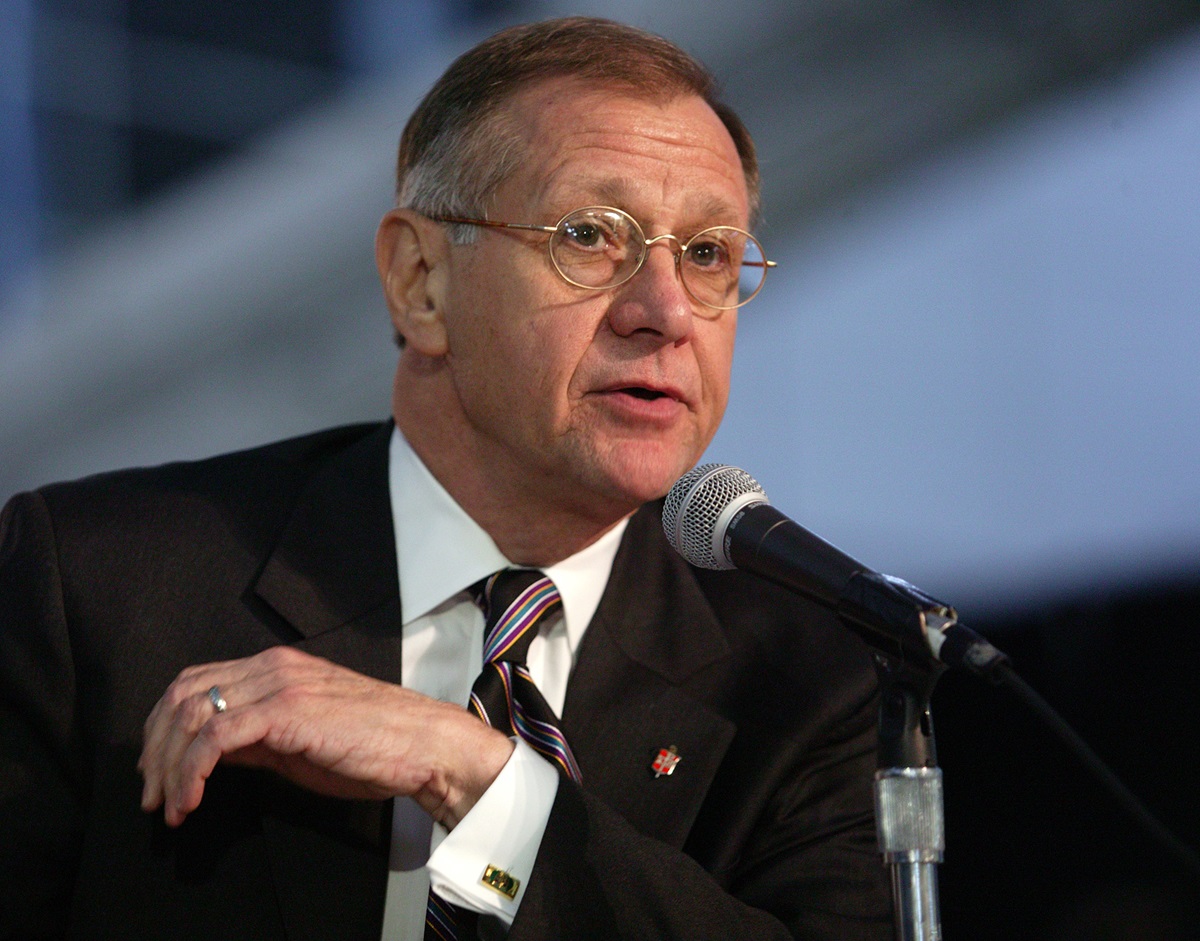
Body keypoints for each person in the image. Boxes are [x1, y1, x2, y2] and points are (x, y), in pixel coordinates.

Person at [0, 17, 892, 941]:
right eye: (590, 235)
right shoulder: (97, 587)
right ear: (420, 280)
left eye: (707, 253)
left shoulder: (810, 681)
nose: (665, 311)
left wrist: (479, 779)